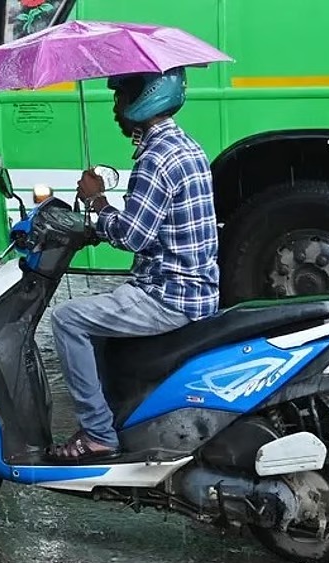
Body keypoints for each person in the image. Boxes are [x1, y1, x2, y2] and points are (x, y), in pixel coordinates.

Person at [46, 67, 220, 463]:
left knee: (67, 319)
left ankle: (97, 434)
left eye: (120, 96)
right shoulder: (186, 146)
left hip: (168, 296)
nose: (115, 108)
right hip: (195, 289)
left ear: (147, 96)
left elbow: (132, 236)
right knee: (97, 317)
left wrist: (97, 202)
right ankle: (119, 413)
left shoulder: (157, 158)